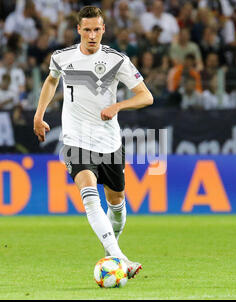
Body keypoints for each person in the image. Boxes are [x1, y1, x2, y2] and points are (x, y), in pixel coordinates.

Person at [33, 6, 153, 279]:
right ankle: (121, 259)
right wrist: (39, 115)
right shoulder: (62, 57)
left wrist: (118, 106)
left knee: (117, 203)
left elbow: (146, 96)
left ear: (103, 30)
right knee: (88, 195)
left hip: (108, 142)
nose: (91, 35)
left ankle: (114, 249)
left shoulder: (117, 60)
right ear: (78, 30)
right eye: (86, 29)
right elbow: (51, 81)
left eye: (96, 29)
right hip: (75, 139)